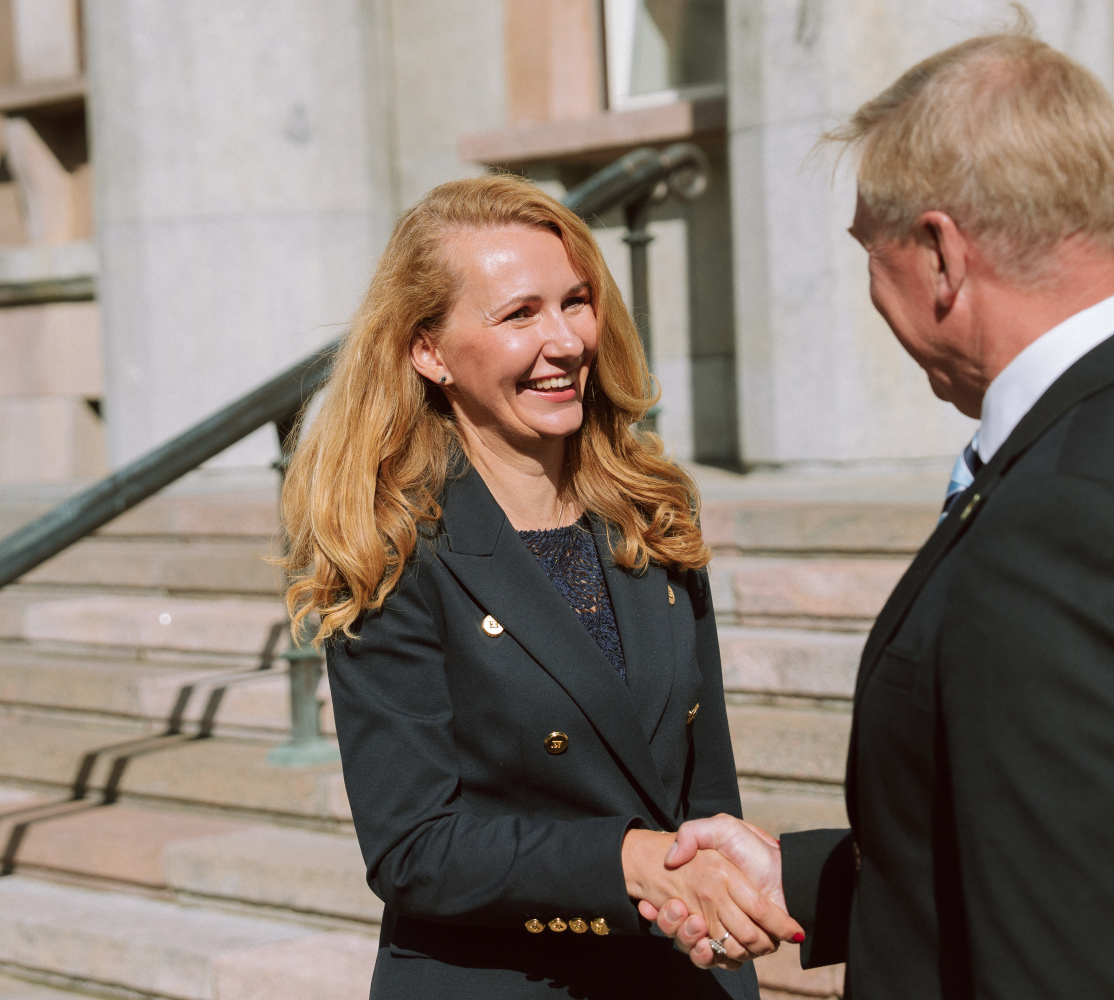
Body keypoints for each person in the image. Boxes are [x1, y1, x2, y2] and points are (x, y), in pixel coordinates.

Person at [649, 29, 1114, 1000]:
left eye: (872, 253)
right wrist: (800, 877)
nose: (873, 290)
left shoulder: (1070, 525)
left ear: (941, 254)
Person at [280, 175, 800, 999]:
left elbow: (705, 789)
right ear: (429, 351)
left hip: (678, 972)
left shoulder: (651, 509)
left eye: (576, 302)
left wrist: (720, 914)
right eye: (519, 314)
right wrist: (629, 861)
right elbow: (414, 847)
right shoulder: (391, 545)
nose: (564, 341)